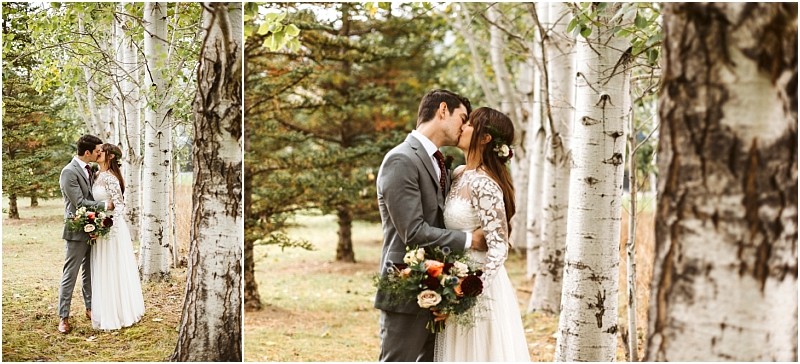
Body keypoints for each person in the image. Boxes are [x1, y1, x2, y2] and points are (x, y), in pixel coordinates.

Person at [374, 89, 487, 362]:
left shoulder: (441, 163)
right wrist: (471, 239)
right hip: (406, 287)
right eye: (463, 117)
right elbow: (412, 232)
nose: (464, 126)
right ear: (443, 110)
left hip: (442, 287)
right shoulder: (401, 159)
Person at [435, 107, 531, 361]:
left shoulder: (484, 184)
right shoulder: (459, 174)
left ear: (485, 137)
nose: (462, 127)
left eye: (468, 124)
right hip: (454, 276)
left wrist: (470, 289)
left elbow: (499, 247)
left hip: (477, 285)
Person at [58, 134, 113, 334]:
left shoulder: (91, 170)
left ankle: (90, 308)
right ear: (87, 152)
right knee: (70, 275)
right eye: (97, 150)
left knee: (90, 272)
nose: (100, 153)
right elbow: (79, 202)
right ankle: (63, 316)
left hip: (94, 228)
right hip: (76, 229)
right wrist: (105, 205)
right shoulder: (68, 172)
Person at [90, 143, 145, 330]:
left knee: (113, 267)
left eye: (102, 151)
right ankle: (105, 309)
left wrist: (108, 222)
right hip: (99, 226)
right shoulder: (96, 175)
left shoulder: (112, 178)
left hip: (111, 228)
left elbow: (120, 205)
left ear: (110, 156)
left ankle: (119, 312)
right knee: (102, 267)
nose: (98, 153)